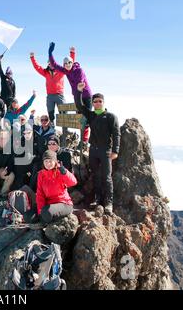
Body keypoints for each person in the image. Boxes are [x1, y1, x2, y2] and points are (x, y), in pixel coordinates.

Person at [75, 82, 120, 214]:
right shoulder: (91, 115)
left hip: (106, 150)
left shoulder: (111, 117)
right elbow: (79, 106)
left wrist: (115, 151)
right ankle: (97, 199)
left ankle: (108, 203)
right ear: (93, 103)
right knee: (95, 176)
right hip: (93, 150)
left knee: (106, 177)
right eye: (95, 101)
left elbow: (116, 134)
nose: (97, 103)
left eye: (100, 101)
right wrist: (78, 92)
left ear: (103, 102)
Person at [48, 43, 92, 142]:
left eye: (69, 63)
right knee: (80, 119)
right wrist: (50, 52)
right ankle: (82, 140)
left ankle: (85, 141)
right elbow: (54, 65)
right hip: (77, 96)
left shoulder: (79, 70)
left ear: (72, 63)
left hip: (86, 96)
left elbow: (79, 84)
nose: (67, 65)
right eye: (65, 64)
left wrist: (72, 53)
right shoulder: (66, 71)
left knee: (87, 118)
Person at [30, 49, 75, 126]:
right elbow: (37, 67)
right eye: (49, 64)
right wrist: (32, 58)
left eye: (52, 63)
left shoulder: (61, 71)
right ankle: (52, 127)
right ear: (48, 64)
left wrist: (72, 53)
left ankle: (66, 130)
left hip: (59, 95)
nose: (51, 65)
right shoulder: (45, 72)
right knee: (50, 113)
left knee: (63, 113)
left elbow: (69, 64)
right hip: (50, 96)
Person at [36, 150, 77, 223]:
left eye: (50, 161)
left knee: (46, 212)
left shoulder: (60, 171)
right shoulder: (41, 174)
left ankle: (51, 221)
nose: (48, 164)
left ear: (55, 161)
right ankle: (46, 218)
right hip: (49, 204)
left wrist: (64, 172)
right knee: (29, 216)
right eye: (46, 161)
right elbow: (40, 194)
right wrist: (40, 211)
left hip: (64, 203)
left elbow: (73, 182)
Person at [12, 124, 36, 190]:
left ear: (32, 132)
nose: (27, 135)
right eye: (25, 133)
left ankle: (31, 189)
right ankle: (19, 187)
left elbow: (39, 155)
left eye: (29, 133)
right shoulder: (21, 140)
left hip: (34, 163)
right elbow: (17, 154)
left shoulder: (37, 139)